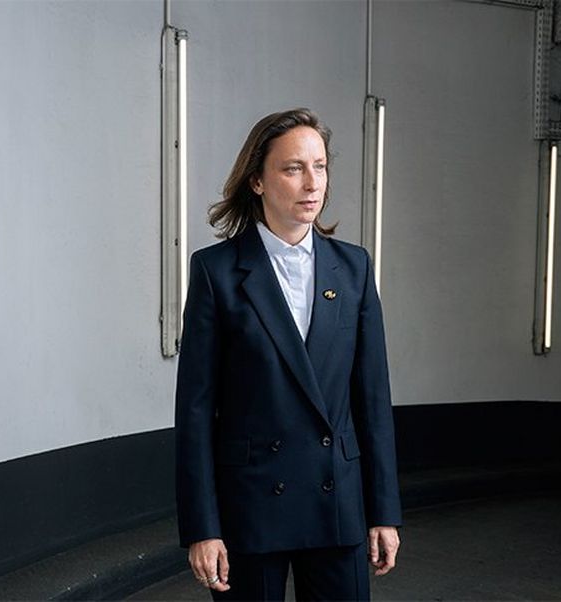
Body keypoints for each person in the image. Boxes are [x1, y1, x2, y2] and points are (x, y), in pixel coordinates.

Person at [174, 108, 402, 601]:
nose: (311, 183)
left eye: (319, 166)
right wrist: (202, 527)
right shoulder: (216, 271)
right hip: (251, 507)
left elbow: (373, 399)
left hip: (336, 501)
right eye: (293, 168)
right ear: (257, 180)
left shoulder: (354, 268)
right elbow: (195, 411)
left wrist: (383, 511)